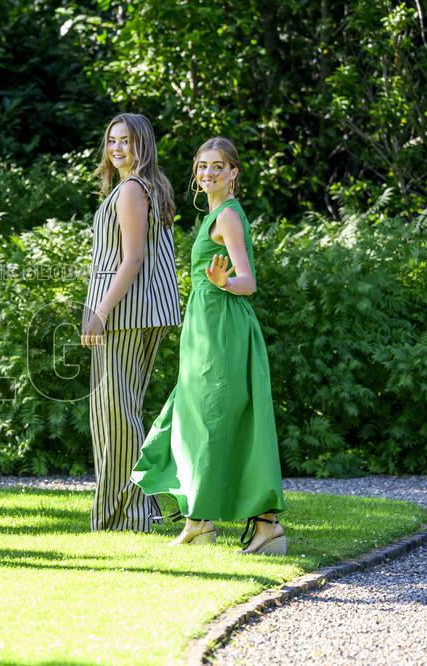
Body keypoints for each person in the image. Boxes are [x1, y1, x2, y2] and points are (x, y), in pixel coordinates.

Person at [131, 137, 286, 555]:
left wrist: (224, 282)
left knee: (216, 418)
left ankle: (265, 524)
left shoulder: (228, 218)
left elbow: (248, 282)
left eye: (218, 166)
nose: (208, 174)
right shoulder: (216, 214)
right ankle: (199, 522)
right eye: (202, 166)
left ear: (234, 172)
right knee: (196, 417)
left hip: (222, 329)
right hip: (205, 327)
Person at [80, 113, 182, 532]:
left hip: (122, 315)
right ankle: (137, 509)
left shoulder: (132, 190)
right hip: (137, 312)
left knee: (115, 416)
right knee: (122, 414)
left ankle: (127, 514)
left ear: (143, 145)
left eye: (127, 140)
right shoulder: (144, 188)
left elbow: (133, 259)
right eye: (112, 140)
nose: (118, 148)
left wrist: (99, 312)